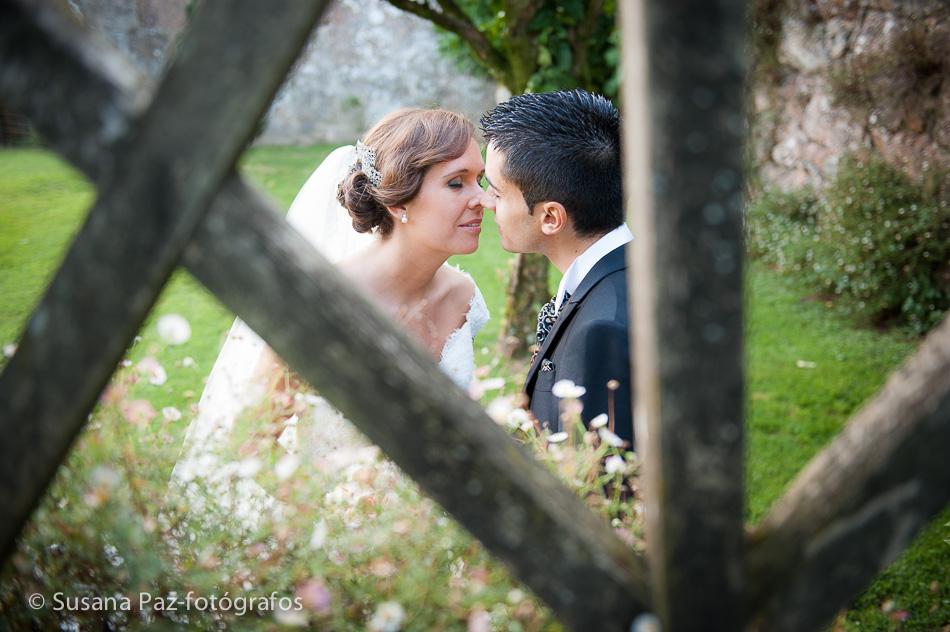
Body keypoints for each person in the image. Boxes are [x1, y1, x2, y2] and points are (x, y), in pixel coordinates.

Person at [171, 108, 490, 528]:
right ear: (400, 200)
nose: (482, 198)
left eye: (480, 180)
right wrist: (327, 520)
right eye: (456, 182)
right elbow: (247, 446)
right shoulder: (321, 308)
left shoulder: (462, 298)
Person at [480, 89, 634, 445]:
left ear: (551, 217)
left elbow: (603, 481)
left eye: (498, 192)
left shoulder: (601, 330)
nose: (486, 202)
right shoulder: (622, 275)